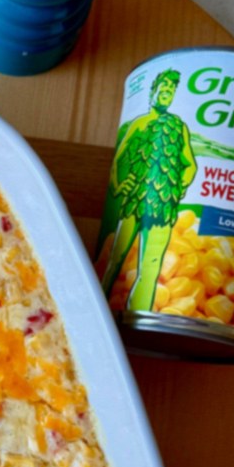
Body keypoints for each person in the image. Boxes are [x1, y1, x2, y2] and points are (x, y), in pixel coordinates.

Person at [101, 69, 197, 310]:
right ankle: (100, 307)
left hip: (163, 205)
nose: (166, 94)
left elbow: (190, 165)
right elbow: (120, 159)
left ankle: (138, 311)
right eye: (163, 89)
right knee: (116, 259)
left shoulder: (178, 127)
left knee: (151, 266)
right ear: (152, 92)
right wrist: (120, 186)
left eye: (170, 91)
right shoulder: (140, 123)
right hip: (135, 201)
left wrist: (180, 186)